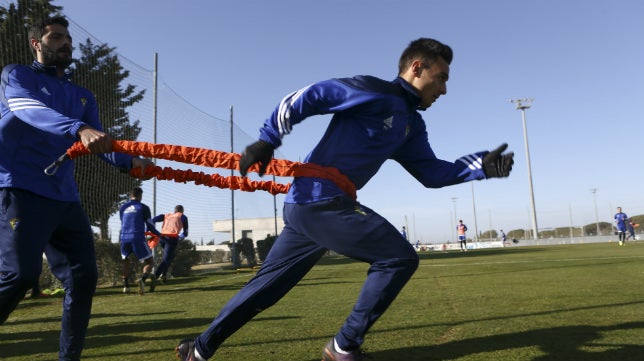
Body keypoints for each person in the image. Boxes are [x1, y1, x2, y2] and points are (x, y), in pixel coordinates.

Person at [174, 37, 514, 361]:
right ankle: (343, 347)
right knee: (397, 258)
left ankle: (199, 349)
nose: (444, 89)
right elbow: (308, 96)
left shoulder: (411, 124)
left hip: (309, 207)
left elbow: (431, 174)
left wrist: (480, 166)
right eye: (441, 78)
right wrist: (268, 139)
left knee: (266, 289)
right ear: (416, 66)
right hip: (319, 200)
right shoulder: (376, 91)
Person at [0, 16, 151, 361]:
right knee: (20, 276)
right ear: (36, 44)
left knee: (84, 278)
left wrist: (132, 163)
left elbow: (99, 142)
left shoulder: (82, 97)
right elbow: (27, 110)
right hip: (19, 188)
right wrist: (78, 128)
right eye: (56, 37)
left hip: (64, 198)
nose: (65, 42)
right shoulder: (16, 76)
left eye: (67, 38)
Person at [119, 187, 160, 294]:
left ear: (130, 195)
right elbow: (150, 226)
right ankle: (142, 280)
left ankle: (126, 286)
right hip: (137, 236)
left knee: (126, 261)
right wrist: (159, 234)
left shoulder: (123, 207)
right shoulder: (143, 207)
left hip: (123, 237)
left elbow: (122, 222)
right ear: (140, 195)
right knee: (149, 262)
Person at [152, 205, 188, 285]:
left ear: (174, 211)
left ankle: (164, 275)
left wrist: (153, 230)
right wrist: (179, 236)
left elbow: (153, 219)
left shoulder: (167, 215)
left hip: (162, 238)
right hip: (171, 239)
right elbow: (185, 233)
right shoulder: (183, 217)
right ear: (182, 211)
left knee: (170, 257)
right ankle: (155, 276)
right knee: (166, 259)